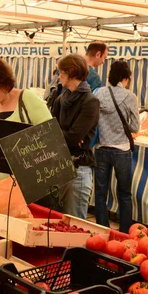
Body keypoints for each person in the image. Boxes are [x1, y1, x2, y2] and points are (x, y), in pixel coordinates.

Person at [0, 57, 52, 181]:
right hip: (2, 181)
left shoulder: (27, 99)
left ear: (4, 85)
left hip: (33, 180)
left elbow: (51, 137)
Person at [94, 61, 140, 233]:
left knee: (100, 193)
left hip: (101, 148)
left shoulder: (98, 93)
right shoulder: (130, 97)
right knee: (124, 194)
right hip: (121, 150)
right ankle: (124, 231)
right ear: (126, 78)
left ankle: (101, 229)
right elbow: (135, 127)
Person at [51, 54, 99, 219]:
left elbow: (72, 138)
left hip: (78, 170)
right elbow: (50, 130)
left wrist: (63, 135)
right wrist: (67, 136)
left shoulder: (90, 101)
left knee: (75, 225)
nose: (59, 76)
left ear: (71, 73)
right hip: (59, 167)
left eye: (61, 72)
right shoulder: (61, 99)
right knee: (57, 224)